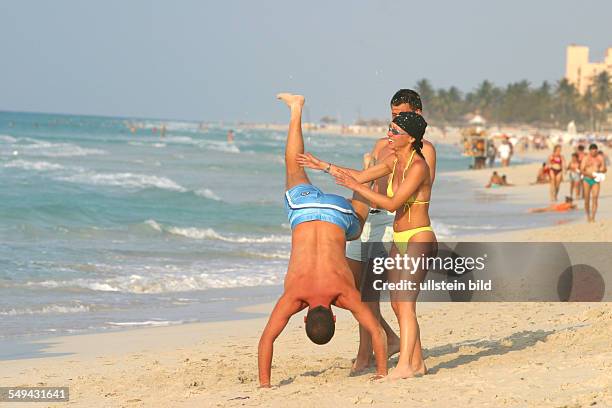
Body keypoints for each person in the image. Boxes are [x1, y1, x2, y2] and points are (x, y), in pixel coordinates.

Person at [257, 94, 388, 388]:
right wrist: (262, 383)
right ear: (304, 319)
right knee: (293, 167)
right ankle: (295, 109)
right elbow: (266, 339)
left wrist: (382, 372)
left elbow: (374, 332)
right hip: (305, 211)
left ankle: (365, 177)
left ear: (334, 317)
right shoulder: (293, 297)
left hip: (336, 212)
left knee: (357, 221)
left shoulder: (344, 296)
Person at [299, 111, 435, 379]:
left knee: (405, 304)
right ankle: (417, 363)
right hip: (399, 238)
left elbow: (392, 204)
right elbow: (360, 176)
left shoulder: (418, 166)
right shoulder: (394, 160)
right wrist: (322, 165)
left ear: (410, 138)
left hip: (419, 237)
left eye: (395, 131)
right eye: (389, 128)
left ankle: (407, 365)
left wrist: (357, 187)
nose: (389, 134)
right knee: (398, 304)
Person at [344, 89, 436, 374]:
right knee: (356, 290)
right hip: (368, 218)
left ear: (415, 115)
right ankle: (385, 345)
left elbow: (414, 186)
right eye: (393, 116)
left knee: (384, 295)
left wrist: (367, 180)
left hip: (390, 219)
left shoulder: (424, 151)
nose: (394, 122)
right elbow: (367, 177)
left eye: (400, 116)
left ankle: (374, 355)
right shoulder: (382, 143)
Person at [580, 144, 607, 223]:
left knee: (595, 198)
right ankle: (588, 216)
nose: (594, 152)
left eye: (595, 150)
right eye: (592, 150)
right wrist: (590, 174)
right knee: (587, 199)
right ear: (590, 151)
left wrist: (600, 171)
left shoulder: (600, 158)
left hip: (596, 180)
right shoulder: (586, 158)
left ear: (597, 150)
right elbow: (581, 170)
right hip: (587, 179)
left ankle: (593, 217)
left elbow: (604, 169)